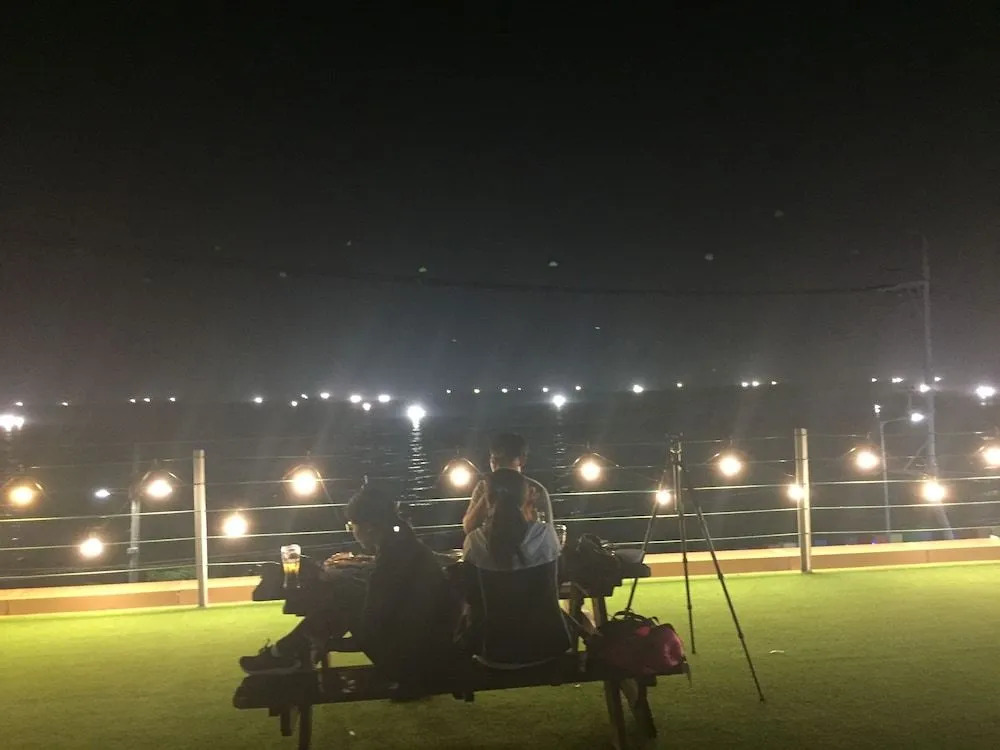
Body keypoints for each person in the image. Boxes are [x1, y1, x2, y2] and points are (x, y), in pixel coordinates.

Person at [240, 485, 461, 694]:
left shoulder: (393, 558)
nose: (352, 531)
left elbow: (372, 624)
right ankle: (289, 652)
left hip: (412, 661)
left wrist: (330, 643)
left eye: (352, 525)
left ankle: (288, 653)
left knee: (341, 599)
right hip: (430, 648)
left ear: (369, 526)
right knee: (344, 595)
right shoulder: (405, 544)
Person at [460, 469, 573, 667]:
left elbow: (470, 595)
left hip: (494, 653)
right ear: (525, 498)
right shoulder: (545, 536)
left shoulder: (474, 542)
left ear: (487, 501)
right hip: (547, 649)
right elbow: (557, 580)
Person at [462, 432, 554, 534]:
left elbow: (546, 532)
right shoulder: (482, 487)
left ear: (522, 460)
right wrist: (487, 496)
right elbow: (468, 528)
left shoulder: (535, 489)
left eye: (505, 461)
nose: (498, 467)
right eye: (494, 461)